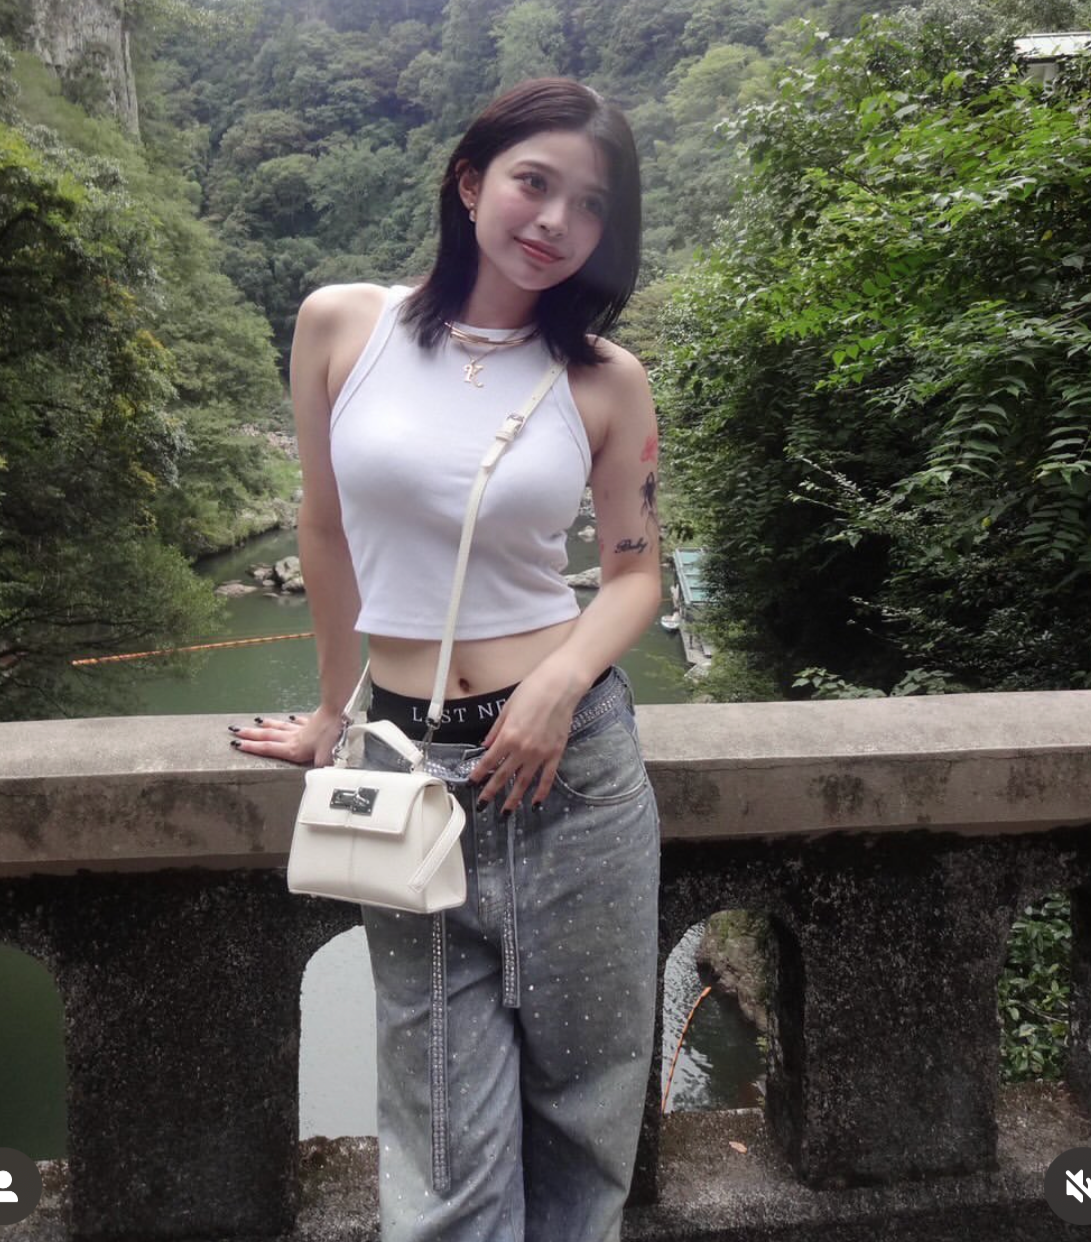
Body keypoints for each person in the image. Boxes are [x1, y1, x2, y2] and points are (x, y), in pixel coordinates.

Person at [230, 77, 662, 1242]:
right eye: (534, 182)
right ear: (471, 181)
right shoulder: (342, 326)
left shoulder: (606, 380)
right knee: (440, 1142)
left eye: (590, 204)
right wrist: (332, 712)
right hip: (411, 769)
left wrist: (560, 683)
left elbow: (634, 574)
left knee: (585, 1113)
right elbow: (325, 530)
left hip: (572, 771)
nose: (556, 220)